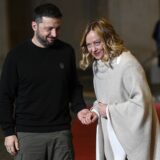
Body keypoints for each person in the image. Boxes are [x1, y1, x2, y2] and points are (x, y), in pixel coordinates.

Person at [0, 3, 90, 160]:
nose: (54, 34)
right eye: (49, 28)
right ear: (34, 25)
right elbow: (4, 96)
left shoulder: (66, 51)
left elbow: (73, 87)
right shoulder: (16, 56)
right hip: (29, 135)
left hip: (62, 132)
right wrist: (8, 132)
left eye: (58, 28)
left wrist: (80, 108)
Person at [79, 18, 160, 160]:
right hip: (111, 135)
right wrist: (96, 111)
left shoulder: (127, 63)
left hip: (129, 137)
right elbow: (103, 100)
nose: (93, 49)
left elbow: (143, 103)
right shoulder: (97, 65)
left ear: (108, 38)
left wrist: (109, 110)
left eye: (97, 43)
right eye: (89, 45)